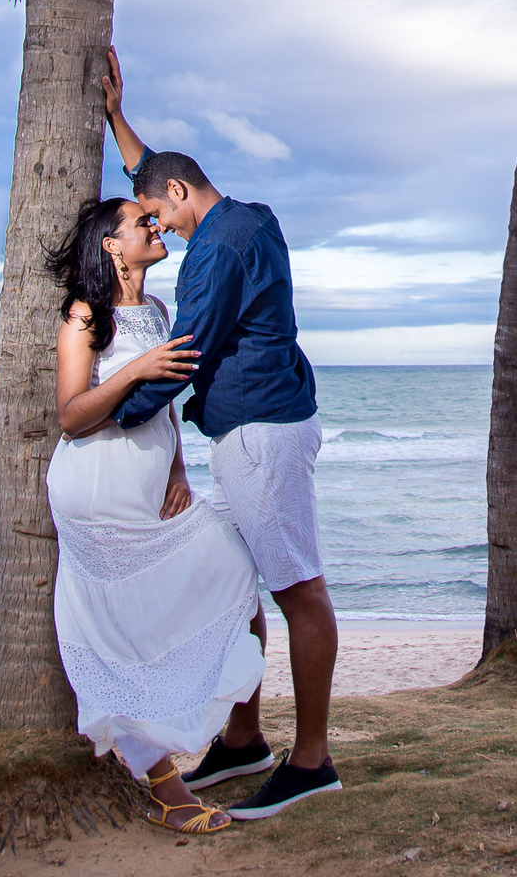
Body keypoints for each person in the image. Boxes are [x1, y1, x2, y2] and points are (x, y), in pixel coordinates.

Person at [102, 47, 341, 821]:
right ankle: (244, 741)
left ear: (179, 194)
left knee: (297, 588)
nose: (158, 231)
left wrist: (111, 413)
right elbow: (161, 174)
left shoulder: (213, 257)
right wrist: (116, 121)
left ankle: (311, 763)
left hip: (260, 435)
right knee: (239, 584)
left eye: (159, 215)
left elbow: (185, 352)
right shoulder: (247, 216)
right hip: (259, 424)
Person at [45, 197, 269, 834]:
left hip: (152, 485)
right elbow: (71, 414)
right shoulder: (85, 315)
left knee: (232, 571)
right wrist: (138, 367)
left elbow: (165, 402)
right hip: (96, 490)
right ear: (112, 246)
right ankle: (170, 792)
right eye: (139, 222)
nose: (153, 225)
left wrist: (176, 470)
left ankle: (232, 738)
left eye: (154, 218)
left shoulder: (160, 312)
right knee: (124, 637)